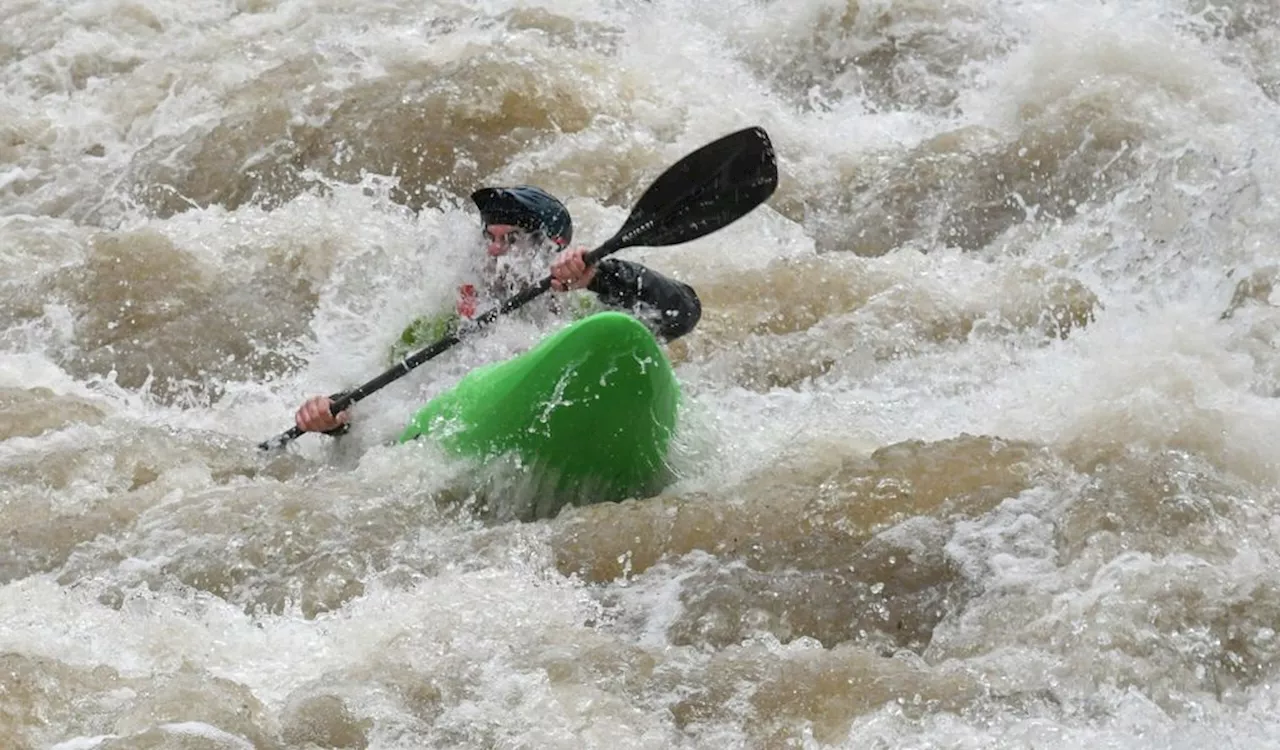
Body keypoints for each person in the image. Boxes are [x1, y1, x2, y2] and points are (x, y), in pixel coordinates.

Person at [293, 185, 702, 436]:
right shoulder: (448, 317)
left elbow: (683, 313)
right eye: (489, 237)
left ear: (550, 248)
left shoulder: (584, 305)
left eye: (511, 240)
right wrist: (337, 423)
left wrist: (599, 276)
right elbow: (380, 409)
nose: (493, 251)